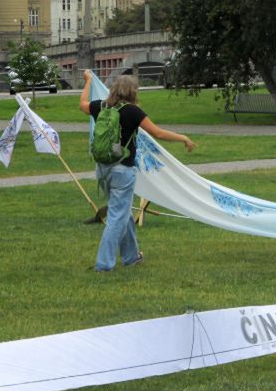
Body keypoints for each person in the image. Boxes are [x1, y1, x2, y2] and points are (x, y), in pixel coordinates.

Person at [79, 72, 196, 271]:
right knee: (117, 216)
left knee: (122, 213)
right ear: (133, 92)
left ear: (114, 89)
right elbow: (158, 133)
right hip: (123, 171)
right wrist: (183, 137)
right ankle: (103, 264)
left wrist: (88, 82)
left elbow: (82, 103)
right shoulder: (133, 111)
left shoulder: (100, 106)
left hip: (102, 169)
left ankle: (131, 257)